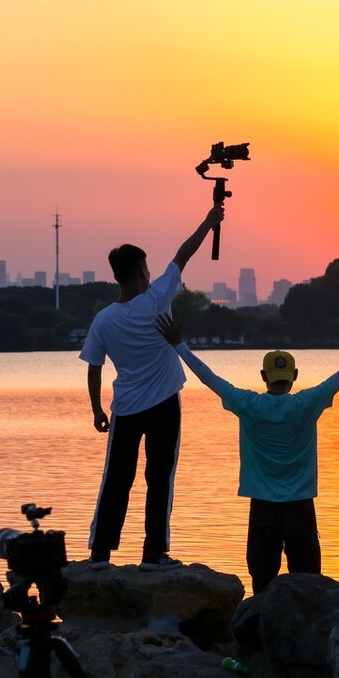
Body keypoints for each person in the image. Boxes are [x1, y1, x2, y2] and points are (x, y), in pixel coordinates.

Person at [155, 307, 339, 594]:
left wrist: (179, 345)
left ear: (264, 375)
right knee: (309, 587)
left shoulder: (248, 404)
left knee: (262, 585)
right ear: (294, 375)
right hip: (300, 508)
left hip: (263, 509)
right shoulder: (307, 403)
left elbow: (207, 377)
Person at [81, 204, 223, 569]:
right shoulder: (157, 298)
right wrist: (209, 221)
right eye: (147, 268)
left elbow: (94, 368)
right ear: (141, 273)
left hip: (125, 409)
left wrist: (97, 409)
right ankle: (154, 553)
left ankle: (100, 552)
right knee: (159, 479)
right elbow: (183, 255)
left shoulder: (103, 320)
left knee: (117, 479)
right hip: (164, 405)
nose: (150, 273)